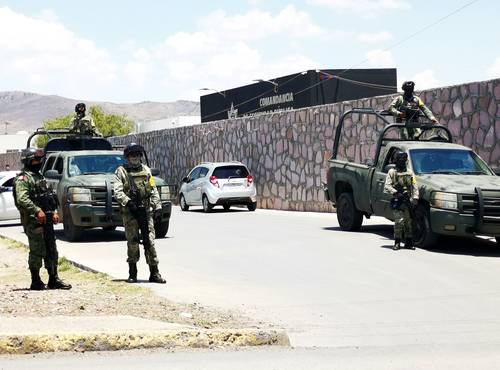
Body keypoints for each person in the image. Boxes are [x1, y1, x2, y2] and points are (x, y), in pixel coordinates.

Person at [14, 148, 72, 290]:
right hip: (34, 221)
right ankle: (36, 280)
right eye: (36, 159)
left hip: (47, 220)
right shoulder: (23, 179)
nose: (39, 162)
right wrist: (36, 210)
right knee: (37, 250)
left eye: (40, 159)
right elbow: (22, 199)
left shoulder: (39, 177)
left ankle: (53, 278)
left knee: (52, 249)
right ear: (27, 161)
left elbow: (48, 197)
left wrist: (53, 212)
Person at [113, 143, 166, 284]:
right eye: (132, 155)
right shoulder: (121, 171)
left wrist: (158, 207)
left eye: (137, 155)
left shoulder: (146, 170)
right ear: (127, 157)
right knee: (133, 242)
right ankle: (133, 273)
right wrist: (128, 202)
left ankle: (154, 273)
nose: (135, 157)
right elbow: (117, 191)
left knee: (150, 242)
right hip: (130, 213)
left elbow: (153, 189)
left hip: (146, 211)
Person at [384, 151, 419, 250]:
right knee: (399, 221)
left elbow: (414, 185)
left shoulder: (409, 172)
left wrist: (415, 198)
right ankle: (397, 242)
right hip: (397, 200)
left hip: (408, 200)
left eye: (404, 160)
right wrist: (396, 193)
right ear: (396, 160)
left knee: (409, 221)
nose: (403, 162)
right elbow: (387, 186)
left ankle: (408, 242)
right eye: (401, 160)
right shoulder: (392, 172)